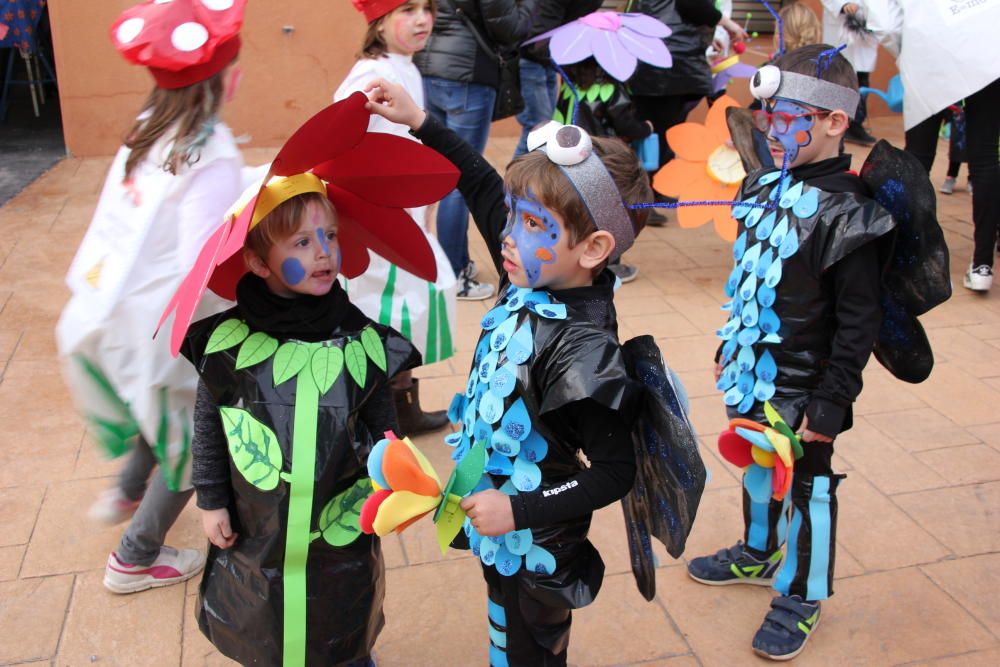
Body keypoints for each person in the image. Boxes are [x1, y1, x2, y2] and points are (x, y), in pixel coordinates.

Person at [365, 77, 653, 666]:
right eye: (514, 218)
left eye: (531, 225)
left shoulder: (584, 352)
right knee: (504, 632)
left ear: (593, 248)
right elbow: (478, 181)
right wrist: (420, 121)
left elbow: (615, 472)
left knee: (532, 648)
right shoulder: (536, 268)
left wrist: (516, 510)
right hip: (497, 524)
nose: (506, 237)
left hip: (538, 539)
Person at [171, 94, 456, 664]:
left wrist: (395, 479)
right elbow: (209, 423)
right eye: (301, 242)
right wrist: (211, 500)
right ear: (257, 261)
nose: (325, 253)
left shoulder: (360, 341)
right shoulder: (230, 345)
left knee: (342, 626)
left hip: (342, 527)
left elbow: (381, 423)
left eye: (329, 236)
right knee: (268, 627)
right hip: (259, 529)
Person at [685, 45, 899, 661]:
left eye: (791, 117)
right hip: (754, 371)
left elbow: (860, 322)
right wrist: (733, 337)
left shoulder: (852, 215)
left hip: (809, 385)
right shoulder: (760, 184)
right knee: (757, 463)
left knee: (807, 487)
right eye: (769, 115)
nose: (775, 130)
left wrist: (830, 403)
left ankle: (801, 594)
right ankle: (757, 550)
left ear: (834, 122)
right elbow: (754, 273)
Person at [55, 0, 247, 594]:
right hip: (161, 328)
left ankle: (127, 485)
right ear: (224, 77)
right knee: (195, 438)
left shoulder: (151, 124)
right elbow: (203, 265)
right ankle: (134, 558)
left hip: (107, 307)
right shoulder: (212, 154)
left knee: (155, 404)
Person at [335, 0, 455, 434]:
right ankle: (379, 421)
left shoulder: (403, 65)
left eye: (427, 7)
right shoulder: (372, 77)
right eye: (407, 9)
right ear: (379, 21)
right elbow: (359, 153)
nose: (422, 19)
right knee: (389, 317)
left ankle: (403, 408)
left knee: (410, 313)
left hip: (406, 214)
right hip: (382, 224)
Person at [866, 0, 1000, 292]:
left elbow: (885, 22)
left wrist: (908, 51)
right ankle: (982, 265)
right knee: (985, 156)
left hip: (927, 48)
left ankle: (912, 259)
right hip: (988, 44)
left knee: (918, 158)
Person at [413, 0, 539, 300]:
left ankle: (449, 264)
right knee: (462, 176)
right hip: (467, 72)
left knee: (444, 171)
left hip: (430, 66)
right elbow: (509, 27)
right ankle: (454, 272)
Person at [624, 0, 748, 225]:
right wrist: (729, 25)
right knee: (657, 134)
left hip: (661, 62)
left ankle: (654, 190)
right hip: (669, 66)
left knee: (661, 132)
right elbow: (693, 6)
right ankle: (643, 198)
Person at [556, 56, 653, 284]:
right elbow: (626, 124)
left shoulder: (570, 89)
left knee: (578, 209)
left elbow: (559, 117)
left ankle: (575, 258)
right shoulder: (611, 90)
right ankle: (611, 265)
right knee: (610, 212)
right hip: (605, 162)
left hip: (571, 159)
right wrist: (645, 128)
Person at [513, 0, 602, 158]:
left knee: (548, 126)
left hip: (546, 61)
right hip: (532, 60)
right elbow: (537, 39)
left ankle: (526, 179)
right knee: (539, 130)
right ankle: (515, 181)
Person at [821, 1, 879, 145]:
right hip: (841, 24)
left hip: (865, 25)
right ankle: (834, 121)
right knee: (839, 76)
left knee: (862, 79)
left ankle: (855, 124)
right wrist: (842, 4)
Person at [940, 103, 969, 196]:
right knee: (957, 145)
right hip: (957, 110)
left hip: (979, 108)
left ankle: (973, 179)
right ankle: (951, 176)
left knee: (977, 146)